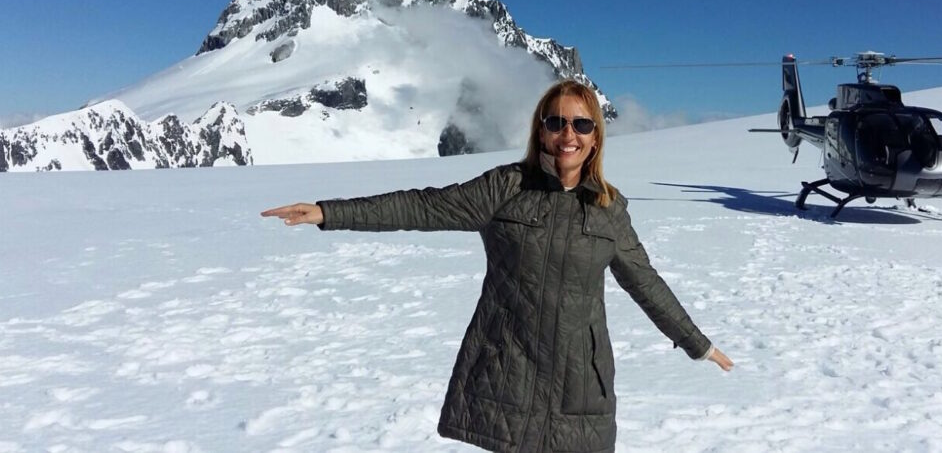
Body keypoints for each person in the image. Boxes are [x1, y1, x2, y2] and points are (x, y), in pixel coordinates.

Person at [261, 79, 733, 452]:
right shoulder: (505, 188)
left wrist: (698, 344)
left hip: (580, 384)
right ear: (540, 130)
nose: (568, 135)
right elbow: (425, 207)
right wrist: (330, 212)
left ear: (595, 137)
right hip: (511, 371)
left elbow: (644, 282)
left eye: (581, 125)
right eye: (557, 122)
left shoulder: (609, 209)